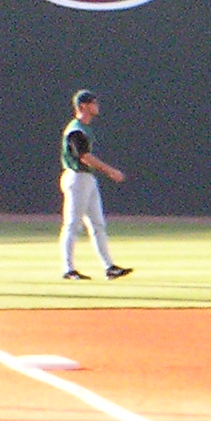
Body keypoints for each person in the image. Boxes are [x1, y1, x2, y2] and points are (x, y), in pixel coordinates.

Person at [58, 89, 132, 281]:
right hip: (76, 177)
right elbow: (84, 156)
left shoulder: (85, 128)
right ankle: (68, 269)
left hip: (87, 179)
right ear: (83, 106)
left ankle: (109, 267)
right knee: (73, 224)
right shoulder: (76, 129)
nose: (96, 106)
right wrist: (110, 171)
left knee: (98, 224)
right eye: (93, 103)